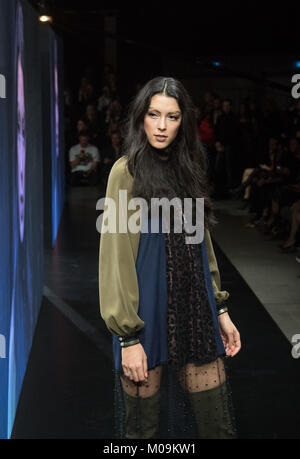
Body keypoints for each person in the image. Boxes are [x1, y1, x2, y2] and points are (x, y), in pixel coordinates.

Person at [98, 77, 241, 439]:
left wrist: (219, 308)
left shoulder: (190, 165)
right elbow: (116, 256)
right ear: (140, 117)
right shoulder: (125, 171)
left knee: (218, 429)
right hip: (146, 312)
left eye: (172, 117)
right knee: (141, 433)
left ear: (184, 122)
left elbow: (200, 241)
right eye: (154, 114)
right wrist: (127, 338)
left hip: (195, 306)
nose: (162, 126)